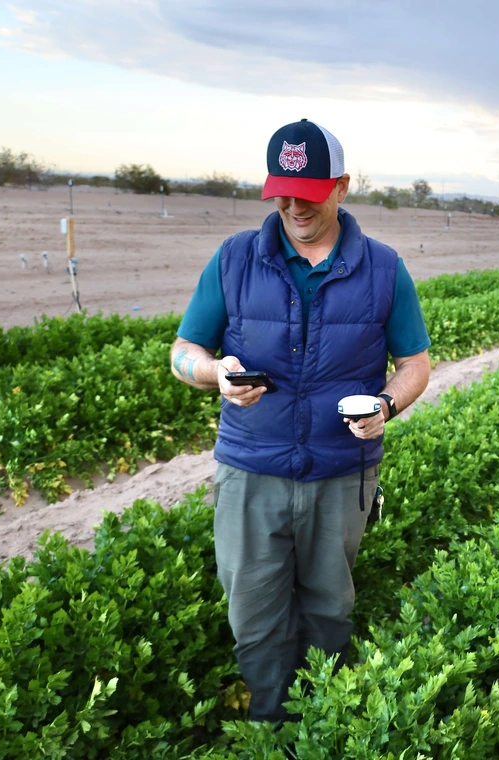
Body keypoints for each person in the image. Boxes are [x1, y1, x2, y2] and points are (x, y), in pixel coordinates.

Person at [169, 119, 431, 722]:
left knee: (327, 610)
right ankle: (271, 725)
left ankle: (319, 723)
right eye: (281, 191)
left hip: (342, 474)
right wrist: (215, 375)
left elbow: (415, 364)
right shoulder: (235, 259)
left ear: (340, 186)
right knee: (254, 615)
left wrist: (386, 407)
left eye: (308, 192)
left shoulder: (384, 269)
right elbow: (183, 351)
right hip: (251, 471)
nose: (293, 205)